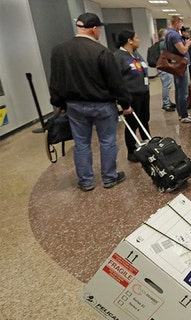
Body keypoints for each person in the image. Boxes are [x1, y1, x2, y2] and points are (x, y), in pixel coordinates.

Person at [49, 12, 131, 191]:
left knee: (81, 143)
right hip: (103, 105)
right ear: (94, 29)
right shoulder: (101, 51)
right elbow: (115, 82)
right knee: (108, 141)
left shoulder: (59, 50)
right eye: (99, 29)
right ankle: (109, 177)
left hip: (75, 106)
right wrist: (125, 104)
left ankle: (86, 181)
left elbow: (55, 81)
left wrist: (60, 104)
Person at [113, 30, 150, 163]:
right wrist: (122, 101)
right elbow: (116, 80)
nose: (139, 40)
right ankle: (131, 150)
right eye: (137, 38)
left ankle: (148, 144)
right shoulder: (118, 57)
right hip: (131, 95)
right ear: (129, 40)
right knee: (132, 123)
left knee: (144, 120)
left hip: (144, 93)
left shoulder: (135, 54)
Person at [165, 16, 191, 123]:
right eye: (180, 23)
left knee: (178, 90)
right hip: (181, 64)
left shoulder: (168, 34)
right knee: (183, 91)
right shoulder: (174, 34)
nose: (181, 26)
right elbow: (182, 50)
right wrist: (187, 44)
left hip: (176, 64)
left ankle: (181, 113)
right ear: (176, 22)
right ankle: (184, 115)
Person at [157, 28, 175, 112]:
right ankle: (166, 104)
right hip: (165, 66)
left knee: (167, 85)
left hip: (163, 66)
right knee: (166, 86)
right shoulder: (163, 43)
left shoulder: (160, 43)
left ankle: (167, 101)